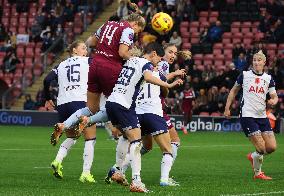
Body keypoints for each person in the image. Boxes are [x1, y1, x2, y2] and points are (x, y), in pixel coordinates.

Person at [50, 13, 146, 143]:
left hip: (95, 65)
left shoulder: (107, 24)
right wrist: (135, 60)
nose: (136, 34)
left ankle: (64, 125)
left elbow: (90, 42)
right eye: (138, 30)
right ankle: (125, 132)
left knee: (91, 108)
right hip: (111, 68)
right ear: (135, 24)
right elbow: (122, 53)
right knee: (117, 104)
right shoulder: (128, 29)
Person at [105, 42, 183, 192]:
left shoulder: (131, 62)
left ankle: (117, 168)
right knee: (168, 148)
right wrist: (169, 85)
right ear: (153, 54)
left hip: (126, 107)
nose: (159, 62)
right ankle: (159, 180)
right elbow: (151, 79)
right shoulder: (149, 67)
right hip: (151, 112)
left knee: (131, 140)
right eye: (159, 58)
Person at [44, 40, 97, 183]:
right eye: (83, 48)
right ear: (74, 50)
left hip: (63, 104)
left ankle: (57, 161)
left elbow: (47, 80)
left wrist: (48, 98)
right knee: (90, 137)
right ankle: (86, 173)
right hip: (80, 101)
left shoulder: (60, 65)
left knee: (72, 137)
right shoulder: (88, 61)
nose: (86, 51)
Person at [224, 50, 278, 180]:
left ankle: (253, 156)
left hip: (262, 116)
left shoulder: (268, 79)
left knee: (271, 147)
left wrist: (273, 101)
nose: (256, 62)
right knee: (261, 148)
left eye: (259, 60)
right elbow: (233, 91)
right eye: (254, 60)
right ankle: (258, 173)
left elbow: (274, 96)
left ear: (264, 63)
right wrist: (227, 108)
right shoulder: (244, 75)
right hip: (247, 115)